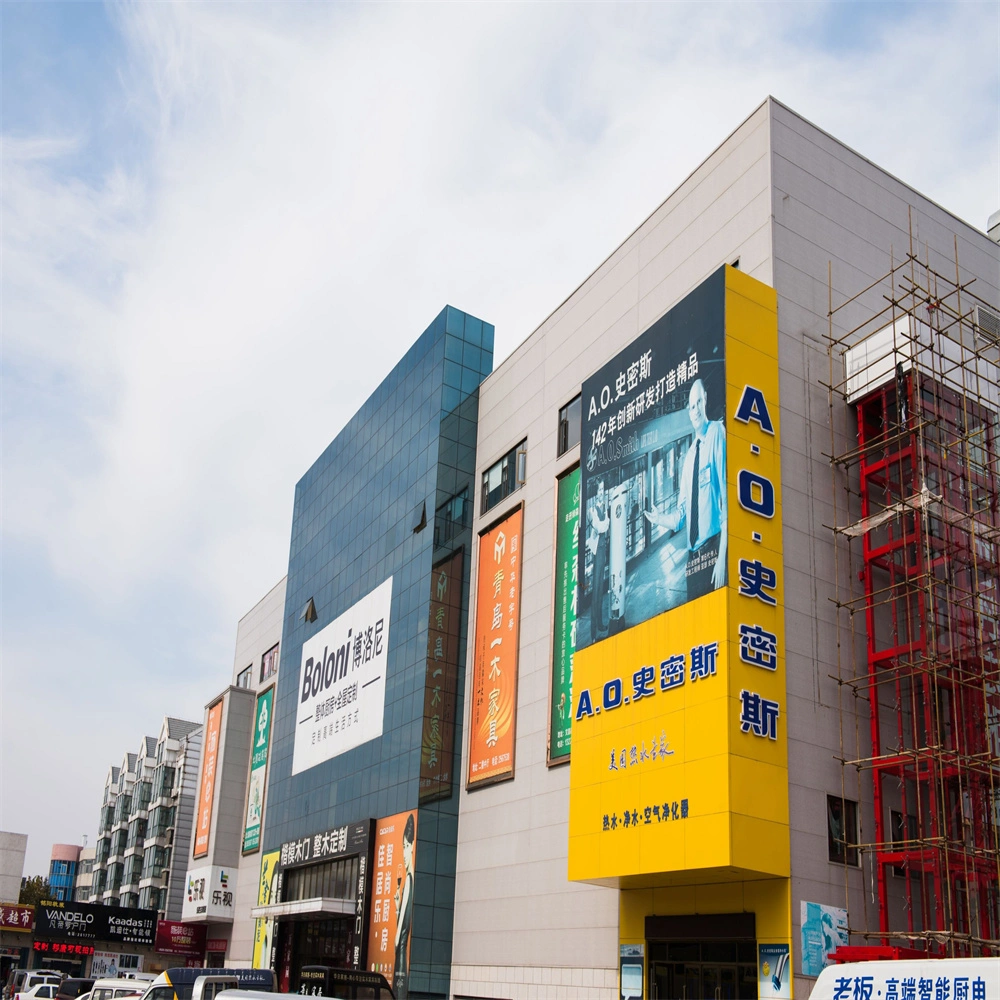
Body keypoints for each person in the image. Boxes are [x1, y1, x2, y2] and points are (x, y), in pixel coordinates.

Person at [645, 378, 727, 600]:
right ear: (689, 412)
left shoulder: (717, 433)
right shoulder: (689, 457)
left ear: (705, 401)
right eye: (691, 406)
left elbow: (727, 504)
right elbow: (681, 517)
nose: (696, 410)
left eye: (698, 402)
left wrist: (722, 559)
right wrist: (659, 518)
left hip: (713, 548)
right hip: (693, 560)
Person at [393, 813, 415, 998]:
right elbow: (403, 920)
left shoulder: (409, 880)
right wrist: (398, 905)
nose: (404, 852)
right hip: (402, 954)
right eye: (403, 847)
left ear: (413, 846)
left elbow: (400, 931)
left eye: (407, 846)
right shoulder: (410, 879)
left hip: (400, 955)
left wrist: (395, 938)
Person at [588, 479, 610, 642]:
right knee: (595, 590)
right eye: (599, 490)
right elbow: (600, 527)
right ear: (595, 493)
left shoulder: (603, 507)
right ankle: (593, 631)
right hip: (597, 552)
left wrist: (604, 523)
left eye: (603, 489)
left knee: (601, 588)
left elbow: (604, 526)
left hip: (603, 550)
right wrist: (605, 522)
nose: (601, 492)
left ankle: (601, 624)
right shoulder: (592, 510)